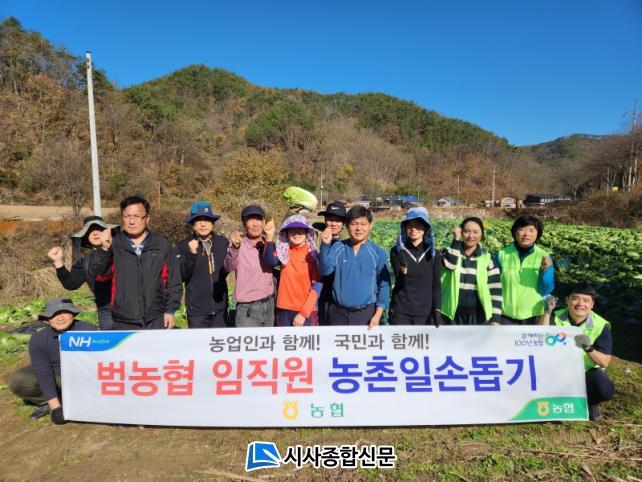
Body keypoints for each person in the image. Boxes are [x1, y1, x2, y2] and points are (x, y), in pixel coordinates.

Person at [89, 195, 182, 330]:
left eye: (137, 216)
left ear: (147, 218)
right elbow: (99, 273)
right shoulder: (113, 244)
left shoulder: (161, 245)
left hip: (156, 318)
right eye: (127, 216)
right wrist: (104, 249)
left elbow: (174, 281)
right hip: (123, 319)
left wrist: (170, 310)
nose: (131, 221)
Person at [9, 298, 96, 424]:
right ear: (47, 319)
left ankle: (74, 399)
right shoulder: (38, 339)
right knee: (19, 380)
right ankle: (52, 401)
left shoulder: (89, 331)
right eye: (54, 314)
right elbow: (44, 373)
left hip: (82, 375)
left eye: (64, 312)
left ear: (73, 314)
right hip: (55, 374)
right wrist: (55, 408)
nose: (60, 317)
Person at [539, 286, 615, 421]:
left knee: (604, 389)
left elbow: (604, 362)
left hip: (586, 372)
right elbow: (539, 338)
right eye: (575, 299)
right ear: (567, 300)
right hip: (556, 370)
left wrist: (589, 348)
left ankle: (590, 403)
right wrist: (547, 311)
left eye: (586, 300)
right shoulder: (555, 316)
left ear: (592, 304)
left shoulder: (601, 324)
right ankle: (558, 404)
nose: (580, 304)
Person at [319, 205, 391, 327]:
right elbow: (325, 270)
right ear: (347, 226)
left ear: (370, 226)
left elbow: (384, 286)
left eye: (363, 224)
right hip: (337, 313)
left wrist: (378, 315)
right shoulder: (338, 247)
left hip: (366, 314)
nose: (359, 228)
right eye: (354, 224)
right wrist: (325, 245)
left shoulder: (378, 253)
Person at [47, 216, 118, 330]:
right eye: (90, 231)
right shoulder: (84, 262)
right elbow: (71, 284)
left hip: (131, 307)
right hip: (105, 311)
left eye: (99, 229)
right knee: (111, 340)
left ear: (107, 232)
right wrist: (58, 261)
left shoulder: (122, 252)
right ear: (85, 237)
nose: (95, 232)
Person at [174, 202, 229, 328]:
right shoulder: (183, 246)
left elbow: (227, 268)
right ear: (192, 224)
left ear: (212, 223)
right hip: (196, 312)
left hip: (220, 309)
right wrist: (191, 255)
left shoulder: (222, 243)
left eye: (207, 220)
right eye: (198, 220)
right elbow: (180, 276)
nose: (203, 224)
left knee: (218, 340)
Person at [262, 215, 322, 326]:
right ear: (287, 233)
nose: (296, 233)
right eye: (292, 230)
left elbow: (317, 286)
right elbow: (270, 261)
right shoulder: (283, 252)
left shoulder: (313, 255)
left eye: (300, 230)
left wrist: (303, 313)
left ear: (307, 233)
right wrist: (269, 237)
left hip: (306, 312)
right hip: (283, 309)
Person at [441, 217, 502, 325]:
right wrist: (456, 241)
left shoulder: (488, 259)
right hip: (450, 315)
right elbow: (450, 265)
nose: (471, 236)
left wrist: (495, 318)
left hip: (478, 316)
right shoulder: (449, 253)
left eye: (475, 232)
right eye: (466, 231)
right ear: (460, 232)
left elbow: (495, 290)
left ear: (482, 234)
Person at [495, 215, 554, 325]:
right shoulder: (502, 254)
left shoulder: (544, 256)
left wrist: (545, 271)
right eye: (522, 229)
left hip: (533, 314)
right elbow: (493, 285)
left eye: (531, 230)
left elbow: (546, 290)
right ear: (515, 232)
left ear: (537, 234)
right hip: (505, 314)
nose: (526, 234)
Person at [224, 204, 276, 327]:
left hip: (269, 305)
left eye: (258, 219)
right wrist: (234, 248)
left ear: (264, 222)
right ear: (244, 223)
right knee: (248, 340)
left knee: (267, 340)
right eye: (251, 220)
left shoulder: (269, 243)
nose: (255, 224)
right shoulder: (239, 245)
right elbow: (228, 266)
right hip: (247, 309)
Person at [389, 207, 442, 325]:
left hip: (425, 312)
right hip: (401, 311)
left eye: (418, 225)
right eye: (410, 225)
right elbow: (400, 284)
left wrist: (437, 309)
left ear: (426, 228)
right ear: (405, 228)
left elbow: (436, 285)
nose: (413, 229)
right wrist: (403, 270)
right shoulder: (397, 252)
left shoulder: (434, 254)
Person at [315, 201, 347, 325]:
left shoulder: (347, 244)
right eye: (330, 219)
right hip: (320, 294)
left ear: (343, 223)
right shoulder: (315, 239)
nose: (333, 223)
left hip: (340, 299)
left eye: (338, 220)